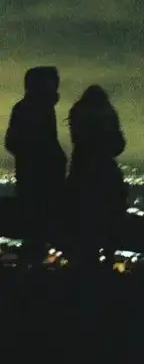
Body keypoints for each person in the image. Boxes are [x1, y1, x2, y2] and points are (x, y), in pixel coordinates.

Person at [4, 66, 67, 266]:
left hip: (31, 180)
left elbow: (12, 142)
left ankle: (30, 272)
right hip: (39, 182)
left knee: (34, 233)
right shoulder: (38, 109)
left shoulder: (29, 108)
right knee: (37, 232)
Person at [66, 85, 127, 269]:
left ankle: (83, 272)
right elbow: (118, 145)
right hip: (104, 180)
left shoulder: (78, 117)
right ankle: (105, 268)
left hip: (80, 180)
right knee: (108, 227)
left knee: (84, 236)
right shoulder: (106, 116)